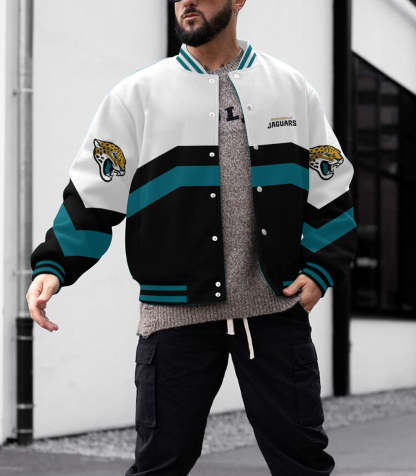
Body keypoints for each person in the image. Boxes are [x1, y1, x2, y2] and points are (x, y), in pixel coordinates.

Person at [26, 0, 358, 474]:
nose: (186, 1)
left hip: (273, 312)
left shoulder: (290, 89)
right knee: (160, 465)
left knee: (303, 464)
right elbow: (94, 191)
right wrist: (55, 265)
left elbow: (332, 183)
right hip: (174, 316)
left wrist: (321, 267)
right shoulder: (137, 95)